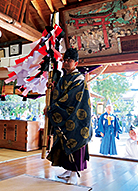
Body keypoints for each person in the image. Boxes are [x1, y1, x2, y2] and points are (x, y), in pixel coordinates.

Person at [44, 48, 92, 184]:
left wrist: (53, 108)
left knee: (74, 142)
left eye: (69, 60)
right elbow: (59, 95)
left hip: (77, 118)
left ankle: (74, 174)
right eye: (64, 60)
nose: (66, 63)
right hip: (66, 118)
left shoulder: (79, 79)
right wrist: (53, 89)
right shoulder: (63, 78)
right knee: (63, 143)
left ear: (76, 63)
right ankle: (68, 170)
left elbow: (70, 98)